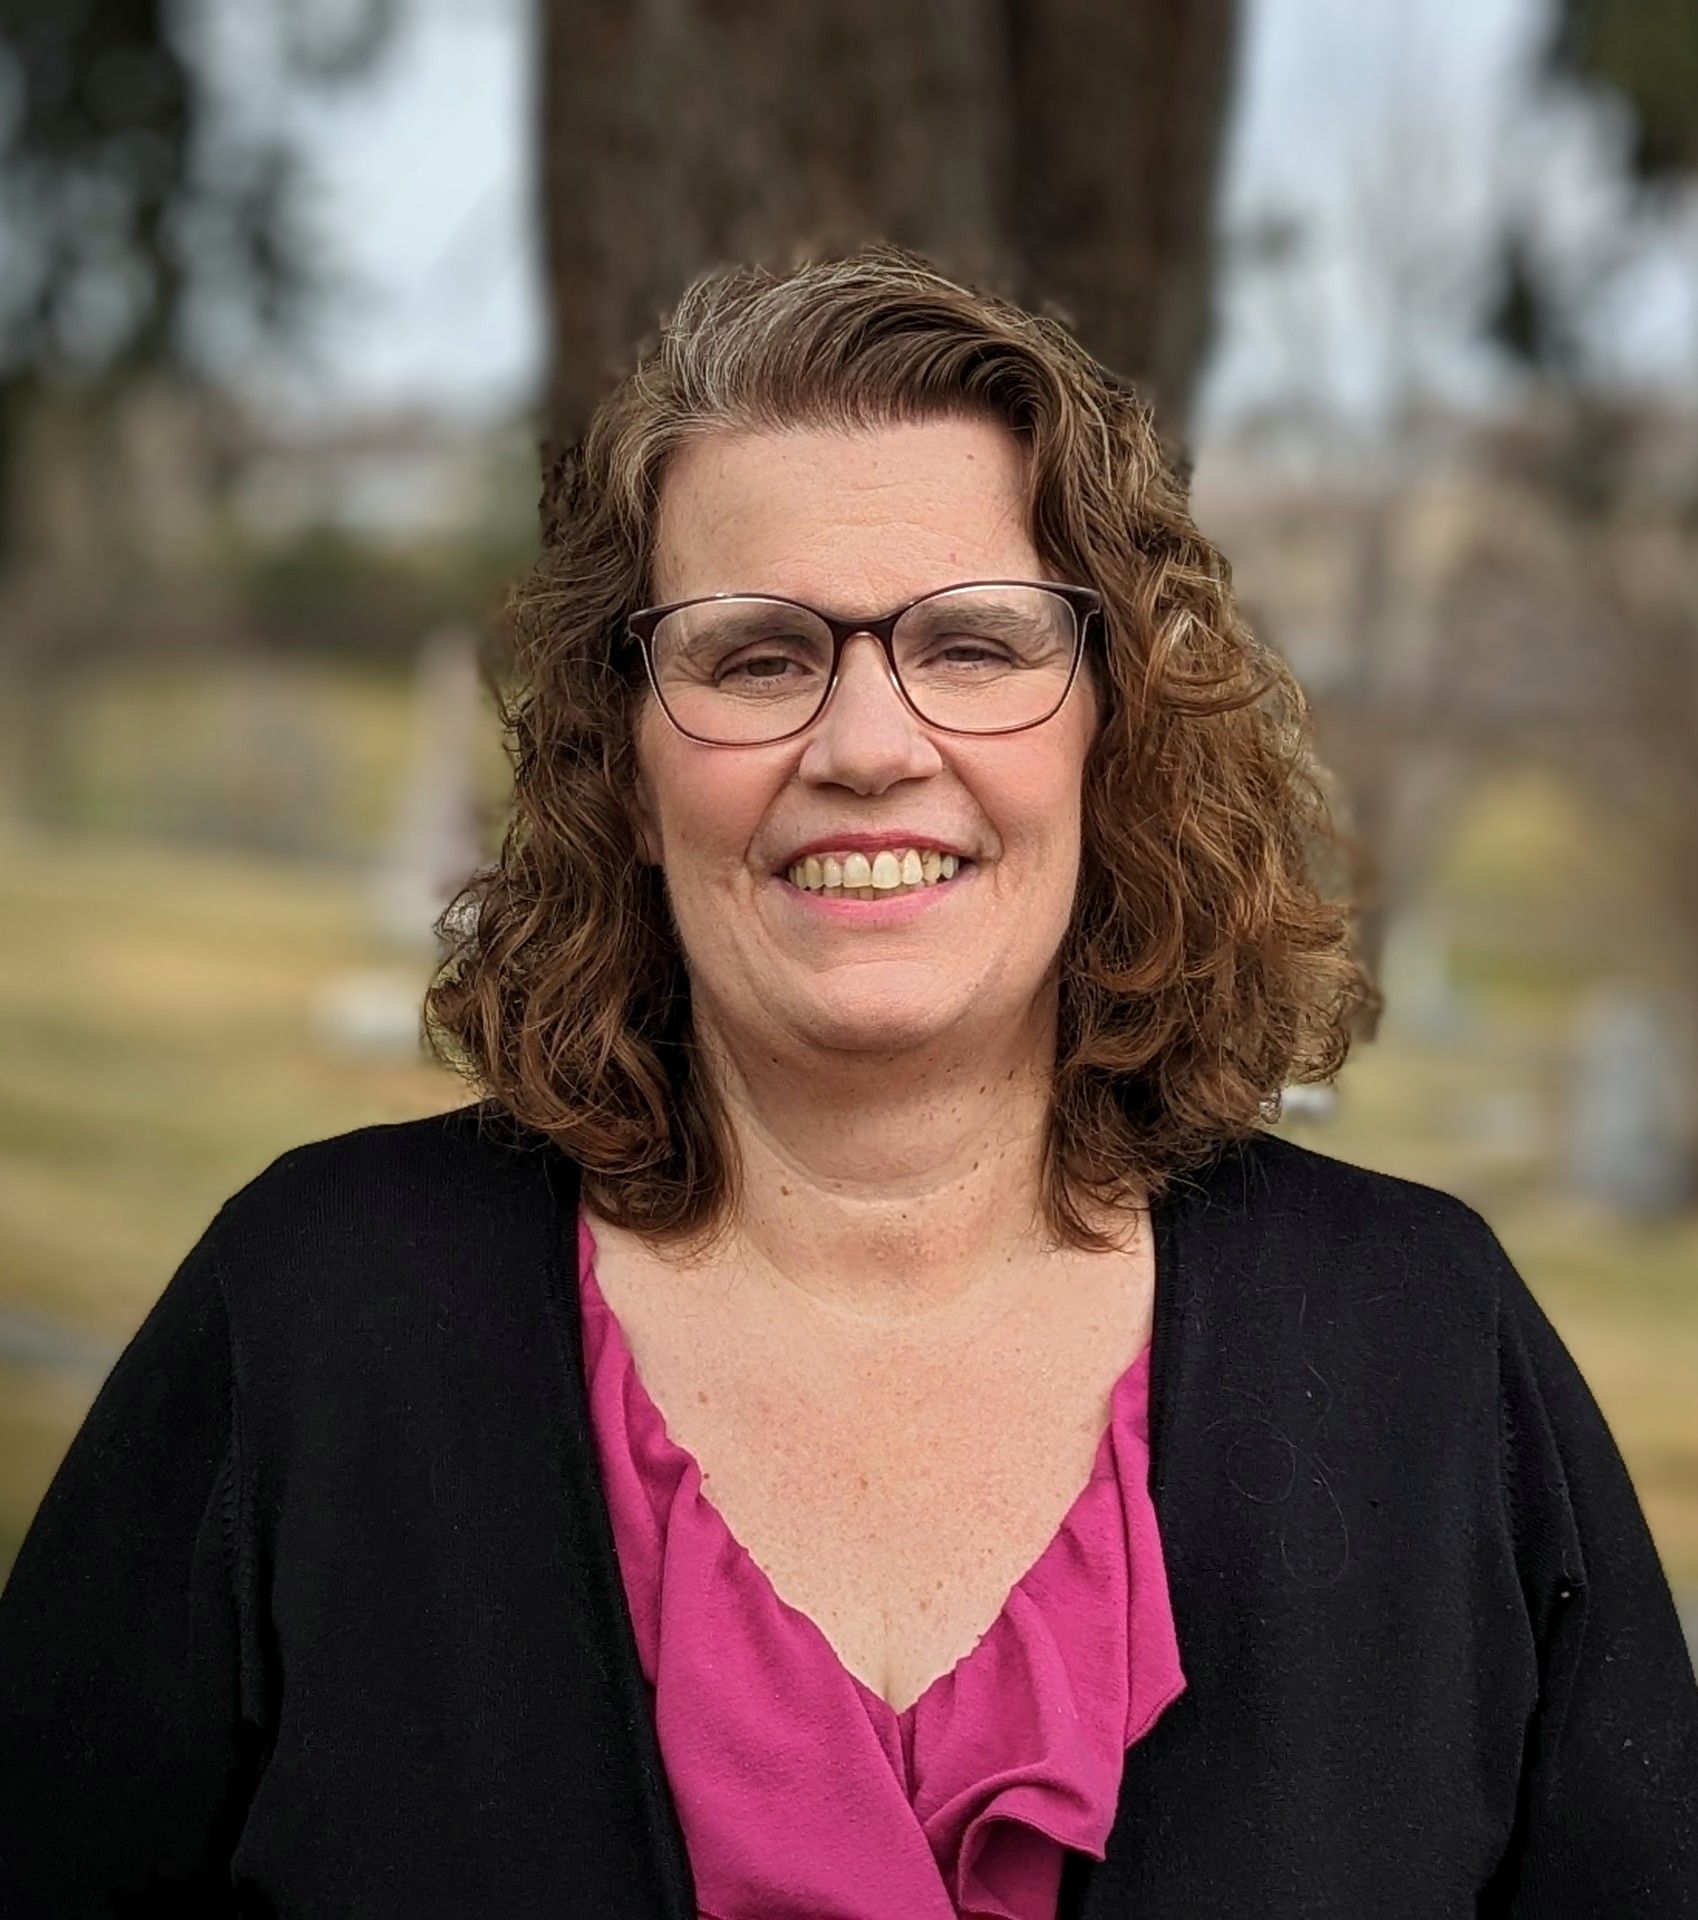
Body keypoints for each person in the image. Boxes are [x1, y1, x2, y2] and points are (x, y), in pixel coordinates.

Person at [1, 242, 1693, 1920]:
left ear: (1114, 721)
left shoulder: (1418, 1348)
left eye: (970, 643)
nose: (869, 743)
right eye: (755, 656)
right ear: (622, 753)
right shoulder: (319, 1319)